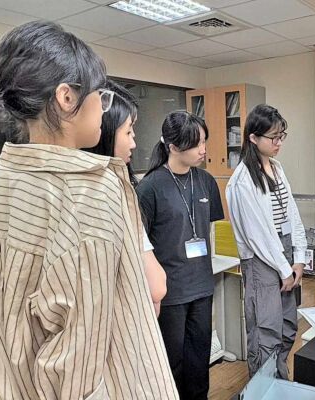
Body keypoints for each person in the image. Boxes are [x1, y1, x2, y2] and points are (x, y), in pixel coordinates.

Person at [0, 21, 177, 400]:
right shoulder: (91, 190)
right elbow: (78, 366)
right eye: (100, 95)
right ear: (67, 97)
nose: (103, 108)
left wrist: (13, 372)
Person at [136, 111, 224, 400]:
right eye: (196, 144)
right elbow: (140, 245)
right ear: (173, 147)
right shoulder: (150, 187)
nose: (203, 149)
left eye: (204, 141)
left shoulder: (206, 181)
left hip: (202, 287)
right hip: (170, 293)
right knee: (171, 364)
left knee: (199, 362)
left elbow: (209, 230)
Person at [226, 104, 307, 380]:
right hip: (262, 261)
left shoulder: (276, 167)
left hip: (284, 254)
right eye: (273, 137)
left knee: (288, 327)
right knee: (266, 333)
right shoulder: (242, 180)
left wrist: (299, 258)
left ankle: (280, 383)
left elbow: (292, 214)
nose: (279, 143)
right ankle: (265, 389)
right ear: (253, 137)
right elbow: (257, 234)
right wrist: (284, 269)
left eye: (282, 136)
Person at [84, 80, 167, 316]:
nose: (133, 143)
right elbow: (156, 287)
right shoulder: (108, 191)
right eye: (128, 131)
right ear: (104, 133)